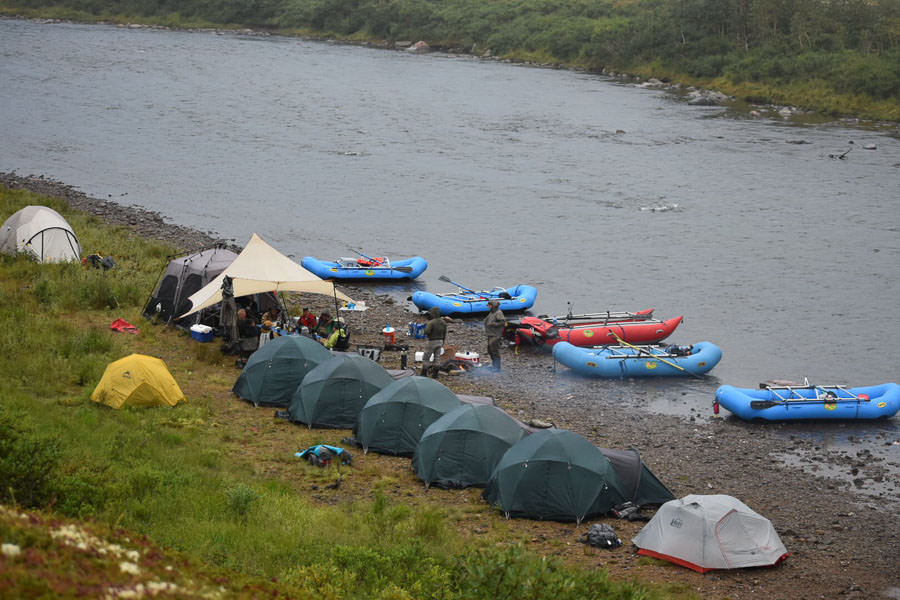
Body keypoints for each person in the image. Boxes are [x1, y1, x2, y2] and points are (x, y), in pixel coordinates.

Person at [421, 307, 446, 378]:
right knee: (437, 358)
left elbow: (426, 332)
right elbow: (445, 334)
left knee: (426, 357)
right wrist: (443, 342)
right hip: (440, 341)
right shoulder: (443, 322)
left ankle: (424, 373)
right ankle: (435, 374)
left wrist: (426, 328)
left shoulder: (431, 322)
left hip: (432, 341)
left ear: (433, 314)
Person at [483, 299, 506, 372]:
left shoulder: (498, 313)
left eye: (489, 306)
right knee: (490, 349)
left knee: (494, 350)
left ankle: (497, 367)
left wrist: (493, 324)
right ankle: (494, 364)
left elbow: (502, 322)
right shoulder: (492, 312)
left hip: (495, 334)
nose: (488, 307)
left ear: (492, 306)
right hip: (490, 334)